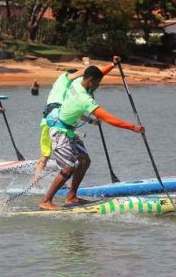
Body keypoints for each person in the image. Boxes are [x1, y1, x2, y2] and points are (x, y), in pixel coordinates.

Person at [39, 61, 144, 210]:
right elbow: (109, 118)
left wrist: (112, 65)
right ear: (91, 81)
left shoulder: (77, 82)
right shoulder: (85, 99)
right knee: (68, 168)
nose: (98, 86)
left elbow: (94, 73)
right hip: (59, 131)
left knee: (84, 160)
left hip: (69, 130)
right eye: (98, 83)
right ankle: (46, 201)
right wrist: (132, 127)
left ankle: (71, 197)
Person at [33, 56, 121, 186]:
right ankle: (37, 183)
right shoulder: (65, 77)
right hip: (53, 119)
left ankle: (44, 182)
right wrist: (87, 61)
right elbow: (88, 72)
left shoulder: (69, 90)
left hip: (57, 119)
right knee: (50, 155)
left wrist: (91, 121)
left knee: (56, 154)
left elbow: (74, 112)